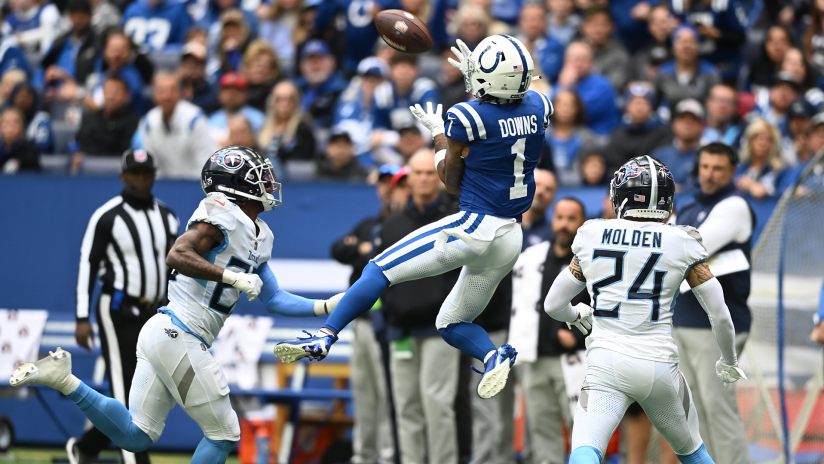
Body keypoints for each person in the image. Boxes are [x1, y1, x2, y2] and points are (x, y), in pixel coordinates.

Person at [10, 146, 345, 464]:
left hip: (164, 332)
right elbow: (178, 254)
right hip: (179, 333)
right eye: (258, 176)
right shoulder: (221, 214)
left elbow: (275, 299)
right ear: (236, 183)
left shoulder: (261, 234)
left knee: (136, 435)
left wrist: (326, 305)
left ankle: (64, 379)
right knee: (223, 433)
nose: (267, 182)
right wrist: (231, 277)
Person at [276, 35, 553, 401]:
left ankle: (325, 334)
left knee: (377, 270)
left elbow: (450, 180)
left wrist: (438, 134)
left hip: (474, 227)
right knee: (451, 322)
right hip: (509, 237)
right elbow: (510, 109)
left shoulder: (468, 117)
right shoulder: (539, 105)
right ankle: (492, 355)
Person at [542, 155, 746, 464]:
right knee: (693, 454)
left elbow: (553, 304)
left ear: (618, 196)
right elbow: (719, 314)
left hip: (605, 363)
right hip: (659, 366)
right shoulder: (683, 240)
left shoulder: (592, 233)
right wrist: (729, 360)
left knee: (585, 452)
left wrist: (576, 315)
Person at [66, 149, 178, 464]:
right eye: (135, 173)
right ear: (123, 177)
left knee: (150, 395)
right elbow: (87, 265)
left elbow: (174, 268)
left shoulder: (168, 216)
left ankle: (86, 447)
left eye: (146, 173)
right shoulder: (107, 216)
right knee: (125, 392)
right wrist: (81, 317)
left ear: (154, 175)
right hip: (117, 312)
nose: (141, 179)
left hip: (155, 313)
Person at [378, 150, 463, 464]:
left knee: (437, 403)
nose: (425, 178)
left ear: (439, 177)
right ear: (408, 177)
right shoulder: (393, 224)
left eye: (431, 172)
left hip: (440, 329)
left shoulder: (455, 220)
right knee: (406, 406)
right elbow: (381, 276)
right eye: (419, 172)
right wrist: (389, 314)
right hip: (400, 328)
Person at [673, 142, 753, 464]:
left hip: (718, 325)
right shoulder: (690, 203)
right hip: (683, 319)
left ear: (732, 171)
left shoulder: (734, 204)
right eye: (705, 166)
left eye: (718, 168)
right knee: (692, 412)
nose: (709, 174)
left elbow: (691, 248)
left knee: (717, 408)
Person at [509, 197, 588, 464]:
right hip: (535, 358)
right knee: (542, 431)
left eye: (571, 219)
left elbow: (604, 308)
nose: (564, 225)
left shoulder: (592, 262)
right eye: (560, 218)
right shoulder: (530, 258)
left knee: (583, 433)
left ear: (582, 224)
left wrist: (577, 335)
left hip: (576, 359)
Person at [330, 163, 399, 464]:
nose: (388, 188)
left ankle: (386, 455)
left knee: (388, 394)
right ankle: (363, 455)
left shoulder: (405, 224)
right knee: (365, 392)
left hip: (393, 322)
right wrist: (362, 247)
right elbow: (338, 250)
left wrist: (364, 249)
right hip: (364, 321)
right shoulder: (369, 224)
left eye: (394, 183)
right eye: (383, 183)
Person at [132, 73, 217, 179]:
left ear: (180, 93)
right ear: (154, 95)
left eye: (172, 90)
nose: (166, 96)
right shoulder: (147, 122)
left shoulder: (195, 120)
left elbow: (205, 164)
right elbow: (152, 166)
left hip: (195, 185)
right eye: (162, 91)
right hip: (164, 187)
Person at [555, 41, 620, 136]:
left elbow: (578, 114)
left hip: (599, 136)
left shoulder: (602, 85)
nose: (579, 64)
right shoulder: (560, 84)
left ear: (592, 62)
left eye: (584, 59)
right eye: (575, 59)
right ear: (566, 62)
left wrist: (567, 87)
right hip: (569, 138)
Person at [605, 82, 672, 174]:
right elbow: (615, 166)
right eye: (635, 103)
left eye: (644, 103)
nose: (639, 108)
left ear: (651, 106)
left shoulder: (662, 133)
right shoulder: (618, 135)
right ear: (626, 107)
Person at [73, 76, 140, 162]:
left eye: (117, 92)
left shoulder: (133, 121)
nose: (111, 96)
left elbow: (125, 152)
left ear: (127, 95)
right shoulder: (89, 117)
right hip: (86, 171)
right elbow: (77, 143)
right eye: (108, 91)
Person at [655, 25, 720, 109]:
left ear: (698, 46)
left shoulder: (711, 72)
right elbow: (655, 104)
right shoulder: (662, 72)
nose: (686, 46)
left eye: (691, 41)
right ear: (673, 47)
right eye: (681, 42)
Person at [546, 89, 602, 185]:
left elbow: (588, 172)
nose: (565, 108)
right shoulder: (542, 136)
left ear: (577, 109)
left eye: (570, 104)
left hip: (579, 188)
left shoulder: (587, 137)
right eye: (560, 103)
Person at [651, 98, 705, 190]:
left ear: (701, 126)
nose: (687, 124)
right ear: (674, 124)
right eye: (683, 119)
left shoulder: (705, 158)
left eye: (693, 120)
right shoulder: (660, 154)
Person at [294, 40, 348, 128]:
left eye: (320, 58)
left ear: (333, 64)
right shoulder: (294, 89)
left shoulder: (343, 91)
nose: (315, 64)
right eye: (310, 59)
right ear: (301, 67)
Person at [259, 80, 316, 163]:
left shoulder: (303, 129)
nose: (285, 104)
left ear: (297, 102)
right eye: (279, 99)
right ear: (272, 102)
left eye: (290, 99)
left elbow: (303, 160)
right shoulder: (263, 126)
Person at [580, 7, 630, 93]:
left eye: (602, 25)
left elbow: (613, 86)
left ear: (612, 27)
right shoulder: (575, 50)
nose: (597, 30)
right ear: (583, 28)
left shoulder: (619, 55)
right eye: (593, 25)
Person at [208, 72, 265, 146]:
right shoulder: (212, 120)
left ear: (246, 94)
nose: (232, 95)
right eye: (227, 90)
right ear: (219, 94)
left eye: (237, 90)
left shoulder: (259, 118)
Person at [736, 118, 786, 200]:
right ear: (750, 140)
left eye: (768, 139)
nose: (762, 143)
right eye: (758, 137)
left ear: (773, 144)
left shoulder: (779, 172)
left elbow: (784, 192)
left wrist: (755, 186)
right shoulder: (738, 166)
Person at [516, 3, 565, 84]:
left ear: (545, 22)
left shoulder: (556, 46)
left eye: (538, 19)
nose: (533, 24)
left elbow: (550, 74)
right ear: (520, 21)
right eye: (529, 19)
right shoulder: (510, 44)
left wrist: (529, 55)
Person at [629, 3, 676, 83]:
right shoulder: (640, 57)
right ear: (650, 27)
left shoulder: (683, 51)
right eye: (657, 22)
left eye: (665, 21)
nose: (662, 27)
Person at [122, 0, 192, 51]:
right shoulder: (133, 9)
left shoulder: (178, 10)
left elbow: (184, 45)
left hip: (166, 65)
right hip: (136, 63)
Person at [6, 82, 52, 153]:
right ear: (13, 98)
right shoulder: (6, 117)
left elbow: (44, 146)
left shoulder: (41, 119)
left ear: (34, 99)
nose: (23, 99)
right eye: (19, 96)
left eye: (27, 96)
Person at [746, 26, 792, 90]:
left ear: (790, 45)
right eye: (774, 42)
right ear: (765, 45)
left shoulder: (796, 69)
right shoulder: (754, 67)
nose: (778, 48)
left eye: (783, 41)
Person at [241, 40, 281, 113]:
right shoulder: (238, 90)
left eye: (265, 65)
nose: (260, 69)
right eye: (256, 64)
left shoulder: (278, 92)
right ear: (246, 66)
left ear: (273, 69)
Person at [522, 169, 557, 249]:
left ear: (553, 199)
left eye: (548, 189)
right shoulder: (505, 222)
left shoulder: (553, 235)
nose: (540, 192)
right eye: (537, 184)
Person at [179, 41, 218, 112]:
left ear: (203, 67)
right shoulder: (176, 90)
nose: (190, 69)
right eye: (187, 64)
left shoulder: (212, 93)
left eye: (195, 64)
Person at [0, 107, 38, 173]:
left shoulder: (30, 153)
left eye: (15, 123)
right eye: (6, 123)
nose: (10, 127)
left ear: (22, 127)